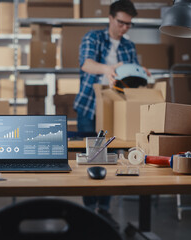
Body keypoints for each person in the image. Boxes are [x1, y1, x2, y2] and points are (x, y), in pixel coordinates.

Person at [73, 0, 150, 230]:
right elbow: (86, 64)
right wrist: (108, 69)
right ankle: (89, 210)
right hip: (90, 106)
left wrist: (142, 72)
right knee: (91, 156)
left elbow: (133, 78)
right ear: (110, 18)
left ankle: (104, 210)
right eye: (121, 23)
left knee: (112, 157)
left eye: (129, 24)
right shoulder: (93, 37)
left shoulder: (129, 46)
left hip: (116, 108)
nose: (124, 28)